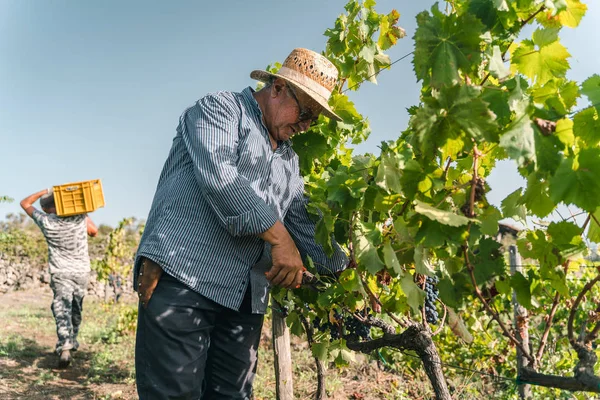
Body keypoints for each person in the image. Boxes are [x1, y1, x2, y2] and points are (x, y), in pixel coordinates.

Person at [134, 48, 348, 399]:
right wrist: (280, 240)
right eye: (306, 111)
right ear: (278, 87)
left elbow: (305, 226)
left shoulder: (289, 163)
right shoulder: (219, 110)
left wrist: (348, 267)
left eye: (316, 118)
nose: (308, 124)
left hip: (244, 299)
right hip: (185, 280)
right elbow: (222, 178)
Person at [20, 188, 98, 368]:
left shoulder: (46, 221)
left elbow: (25, 203)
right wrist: (83, 212)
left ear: (47, 209)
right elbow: (93, 231)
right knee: (76, 309)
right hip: (81, 272)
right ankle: (72, 342)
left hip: (60, 272)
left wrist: (43, 192)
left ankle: (65, 346)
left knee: (62, 308)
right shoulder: (78, 218)